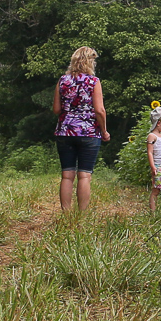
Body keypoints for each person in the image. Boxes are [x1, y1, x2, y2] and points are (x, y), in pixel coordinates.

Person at [52, 46, 108, 213]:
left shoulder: (63, 80)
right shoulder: (94, 81)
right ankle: (81, 215)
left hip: (64, 132)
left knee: (67, 175)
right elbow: (100, 110)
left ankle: (66, 214)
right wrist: (104, 131)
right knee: (84, 175)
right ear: (90, 62)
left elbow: (56, 109)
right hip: (89, 132)